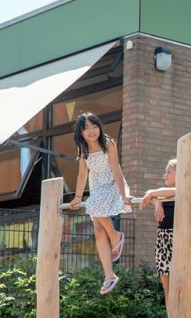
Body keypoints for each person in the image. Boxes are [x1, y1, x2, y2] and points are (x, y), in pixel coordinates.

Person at [67, 113, 132, 294]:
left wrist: (123, 194)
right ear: (80, 132)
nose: (91, 131)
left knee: (93, 205)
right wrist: (78, 197)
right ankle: (109, 275)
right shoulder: (83, 148)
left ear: (99, 127)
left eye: (94, 126)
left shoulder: (107, 143)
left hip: (111, 184)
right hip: (96, 188)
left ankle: (116, 236)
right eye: (86, 128)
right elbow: (82, 174)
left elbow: (116, 169)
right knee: (97, 232)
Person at [140, 158, 177, 307]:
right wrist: (157, 203)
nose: (165, 175)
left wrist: (154, 197)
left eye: (168, 172)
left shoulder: (184, 189)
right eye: (164, 172)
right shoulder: (164, 194)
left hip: (176, 239)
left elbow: (151, 192)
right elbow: (150, 194)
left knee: (177, 286)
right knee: (167, 289)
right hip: (162, 240)